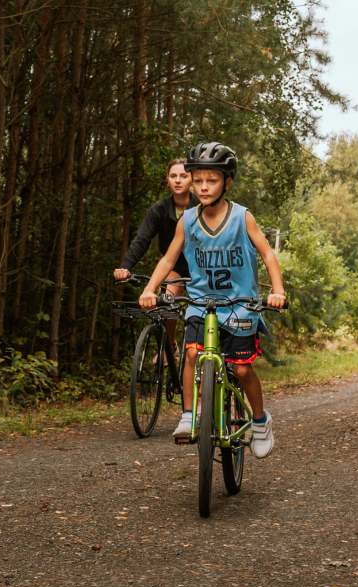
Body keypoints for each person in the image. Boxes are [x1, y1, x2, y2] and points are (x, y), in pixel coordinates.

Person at [139, 142, 287, 459]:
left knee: (243, 370)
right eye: (199, 180)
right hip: (201, 304)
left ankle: (260, 422)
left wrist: (277, 291)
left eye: (212, 180)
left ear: (227, 182)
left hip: (240, 305)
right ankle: (190, 416)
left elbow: (267, 254)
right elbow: (168, 260)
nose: (204, 187)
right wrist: (150, 289)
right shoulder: (188, 220)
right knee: (191, 354)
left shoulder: (242, 217)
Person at [115, 157, 193, 379]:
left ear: (192, 180)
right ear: (168, 179)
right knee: (165, 300)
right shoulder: (159, 209)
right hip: (175, 266)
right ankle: (170, 346)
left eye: (183, 176)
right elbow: (142, 240)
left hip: (201, 267)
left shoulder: (202, 206)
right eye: (173, 176)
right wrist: (125, 267)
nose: (178, 180)